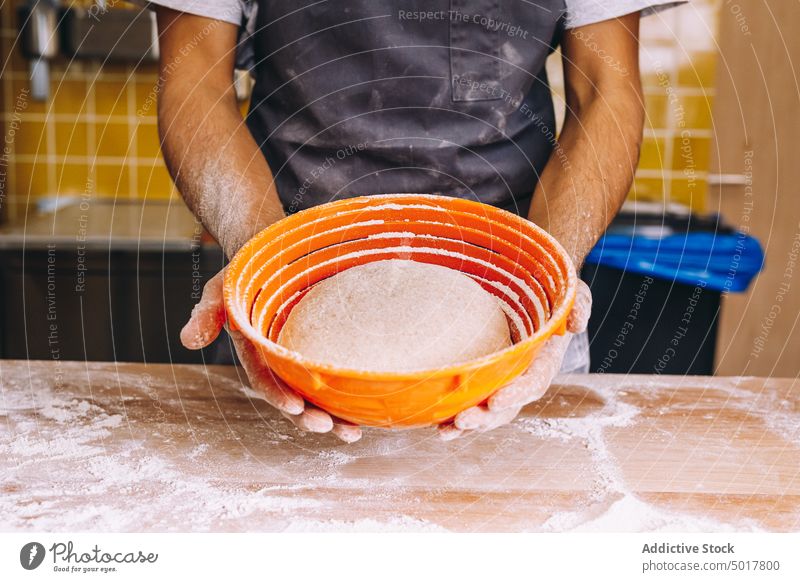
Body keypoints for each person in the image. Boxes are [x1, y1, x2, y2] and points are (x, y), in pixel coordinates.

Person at [146, 0, 680, 442]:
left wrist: (545, 282)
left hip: (514, 299)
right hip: (287, 295)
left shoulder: (530, 295)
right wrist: (263, 270)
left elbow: (606, 92)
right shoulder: (274, 290)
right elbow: (194, 79)